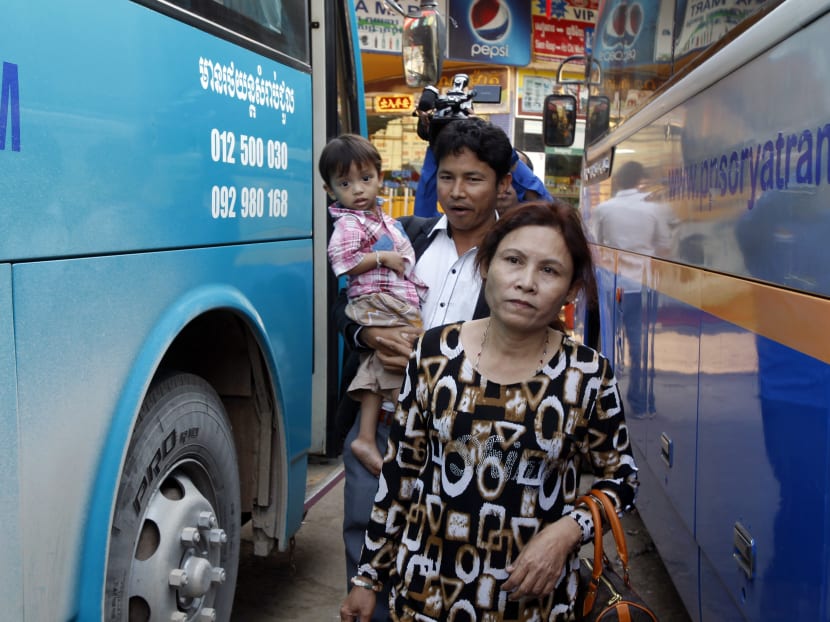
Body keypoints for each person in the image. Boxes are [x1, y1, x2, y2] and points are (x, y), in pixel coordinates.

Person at [339, 201, 639, 621]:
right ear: (486, 266)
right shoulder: (433, 354)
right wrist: (367, 578)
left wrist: (567, 533)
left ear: (571, 289)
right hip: (427, 598)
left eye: (549, 270)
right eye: (513, 260)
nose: (527, 282)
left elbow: (621, 479)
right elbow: (400, 475)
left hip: (535, 604)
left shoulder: (588, 374)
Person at [334, 116, 515, 621]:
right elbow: (341, 307)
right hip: (383, 431)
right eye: (447, 177)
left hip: (462, 443)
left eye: (473, 179)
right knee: (365, 566)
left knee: (448, 575)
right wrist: (369, 335)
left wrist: (430, 360)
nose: (456, 193)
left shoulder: (515, 261)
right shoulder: (401, 236)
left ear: (503, 185)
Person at [322, 133, 428, 475]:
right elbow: (342, 262)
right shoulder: (349, 223)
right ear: (330, 191)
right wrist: (382, 257)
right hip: (376, 302)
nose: (358, 190)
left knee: (379, 362)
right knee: (404, 356)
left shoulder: (386, 220)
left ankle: (367, 436)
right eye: (345, 183)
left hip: (388, 302)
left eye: (366, 179)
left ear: (380, 178)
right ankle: (417, 432)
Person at [590, 161, 675, 415]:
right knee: (639, 345)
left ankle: (607, 402)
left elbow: (597, 245)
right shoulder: (654, 210)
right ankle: (640, 403)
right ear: (641, 180)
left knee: (611, 343)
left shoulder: (604, 209)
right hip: (642, 285)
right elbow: (664, 247)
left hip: (612, 285)